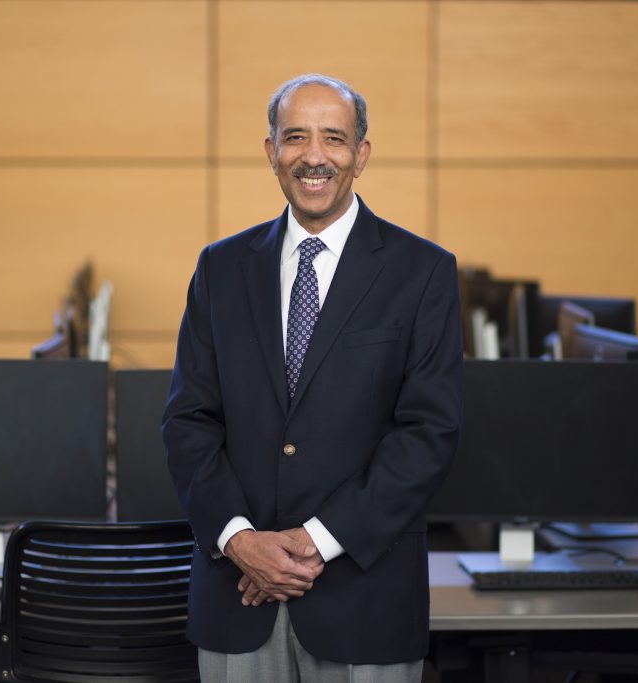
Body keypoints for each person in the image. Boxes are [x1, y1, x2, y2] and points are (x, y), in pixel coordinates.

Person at [162, 73, 464, 682]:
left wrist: (315, 541)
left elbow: (428, 432)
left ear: (361, 155)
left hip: (364, 597)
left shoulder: (423, 272)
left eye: (334, 138)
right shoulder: (220, 268)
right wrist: (240, 541)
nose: (314, 156)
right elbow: (188, 420)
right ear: (271, 151)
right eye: (295, 137)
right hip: (237, 594)